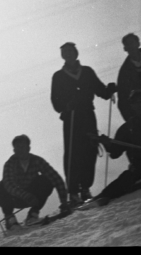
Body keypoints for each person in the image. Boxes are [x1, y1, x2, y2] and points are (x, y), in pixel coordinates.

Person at [49, 42, 116, 203]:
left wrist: (110, 89)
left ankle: (85, 189)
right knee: (73, 154)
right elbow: (55, 100)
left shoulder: (87, 72)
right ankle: (73, 193)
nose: (68, 54)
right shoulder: (58, 76)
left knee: (90, 151)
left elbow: (101, 90)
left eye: (70, 51)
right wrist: (65, 106)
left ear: (76, 53)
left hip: (87, 116)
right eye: (64, 52)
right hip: (71, 117)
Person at [0, 135, 69, 231]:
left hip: (32, 198)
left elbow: (55, 178)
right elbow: (9, 184)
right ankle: (10, 219)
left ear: (28, 148)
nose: (20, 150)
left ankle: (33, 214)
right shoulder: (10, 164)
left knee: (46, 180)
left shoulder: (37, 160)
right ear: (14, 150)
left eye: (22, 147)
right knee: (3, 188)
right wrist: (25, 195)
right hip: (14, 198)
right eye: (17, 148)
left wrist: (64, 201)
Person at [94, 89, 141, 205]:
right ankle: (98, 199)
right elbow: (115, 153)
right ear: (132, 106)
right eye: (136, 102)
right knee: (122, 182)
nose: (139, 105)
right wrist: (107, 144)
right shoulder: (128, 128)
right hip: (138, 169)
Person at [116, 32, 141, 123]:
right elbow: (122, 99)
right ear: (125, 48)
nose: (130, 46)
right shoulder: (124, 72)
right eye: (127, 44)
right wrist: (131, 120)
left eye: (132, 42)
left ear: (138, 43)